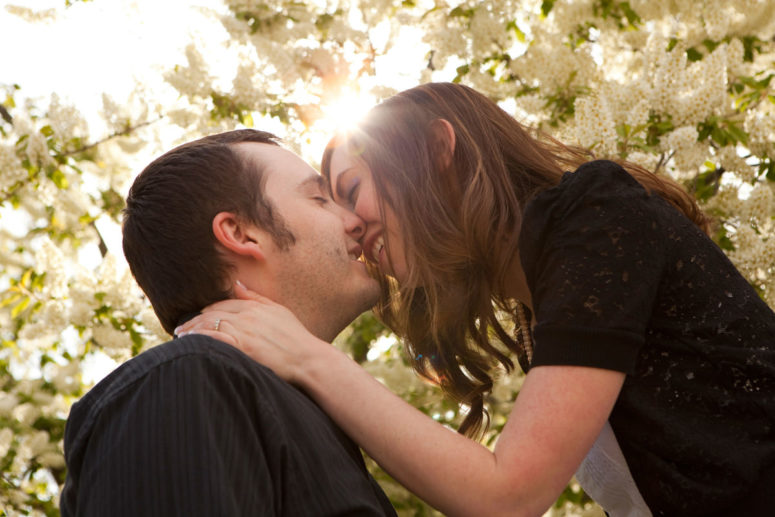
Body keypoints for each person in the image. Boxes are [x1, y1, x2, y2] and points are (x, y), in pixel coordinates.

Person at [177, 83, 775, 517]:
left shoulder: (597, 211)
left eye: (352, 189)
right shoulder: (542, 311)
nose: (350, 226)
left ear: (440, 150)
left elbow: (508, 494)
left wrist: (310, 359)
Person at [60, 129, 396, 517]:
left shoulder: (299, 406)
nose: (355, 221)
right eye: (319, 198)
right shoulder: (185, 382)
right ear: (240, 233)